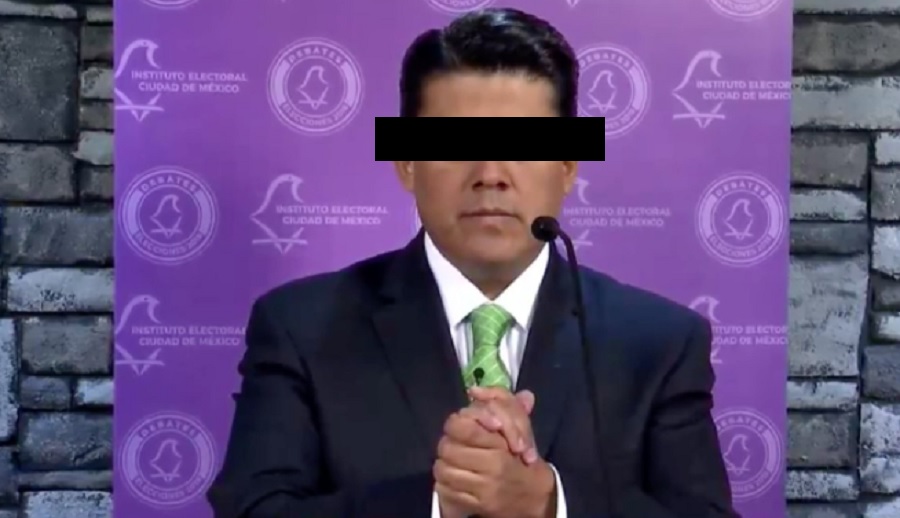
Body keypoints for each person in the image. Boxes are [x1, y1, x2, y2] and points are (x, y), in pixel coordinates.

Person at [207, 7, 738, 518]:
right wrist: (440, 503)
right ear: (406, 162)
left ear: (568, 165)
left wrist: (548, 504)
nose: (490, 174)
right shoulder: (301, 328)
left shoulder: (658, 343)